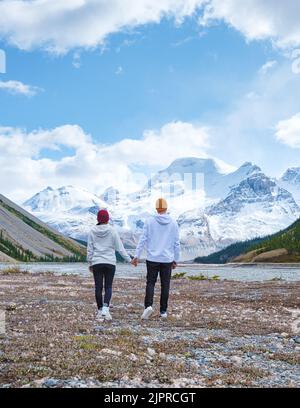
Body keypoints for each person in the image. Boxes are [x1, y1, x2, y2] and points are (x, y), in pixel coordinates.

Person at [131, 198, 180, 320]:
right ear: (166, 208)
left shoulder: (150, 221)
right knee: (165, 285)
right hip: (167, 259)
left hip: (152, 258)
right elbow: (176, 243)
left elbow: (143, 239)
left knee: (150, 283)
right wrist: (176, 259)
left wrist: (136, 256)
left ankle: (148, 306)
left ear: (156, 208)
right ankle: (163, 311)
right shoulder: (174, 223)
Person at [87, 209, 131, 321]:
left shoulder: (92, 231)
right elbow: (120, 248)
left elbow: (90, 249)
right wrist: (129, 260)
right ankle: (106, 308)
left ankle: (100, 310)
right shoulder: (112, 231)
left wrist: (90, 262)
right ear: (107, 219)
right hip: (110, 262)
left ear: (98, 219)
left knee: (98, 287)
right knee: (108, 286)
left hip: (97, 262)